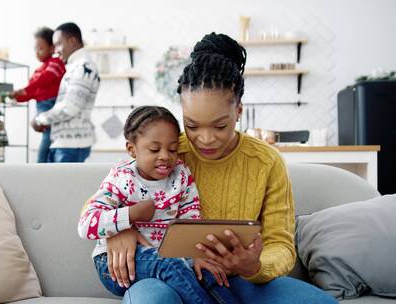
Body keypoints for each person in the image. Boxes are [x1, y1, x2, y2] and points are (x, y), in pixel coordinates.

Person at [97, 33, 338, 304]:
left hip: (237, 279)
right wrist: (120, 228)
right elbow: (100, 203)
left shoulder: (266, 162)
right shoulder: (169, 151)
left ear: (238, 111)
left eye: (220, 126)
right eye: (192, 125)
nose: (206, 139)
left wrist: (253, 265)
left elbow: (280, 245)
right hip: (168, 278)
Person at [79, 106, 243, 304]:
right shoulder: (121, 178)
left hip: (172, 259)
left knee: (209, 273)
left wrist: (197, 255)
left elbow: (190, 219)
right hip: (117, 264)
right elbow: (86, 225)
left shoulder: (181, 175)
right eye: (154, 149)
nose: (165, 155)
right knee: (169, 264)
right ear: (132, 149)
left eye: (172, 149)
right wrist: (130, 214)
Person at [33, 22, 100, 163]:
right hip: (65, 144)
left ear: (72, 41)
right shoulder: (75, 67)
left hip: (70, 146)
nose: (55, 50)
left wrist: (40, 119)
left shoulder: (83, 67)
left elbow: (70, 107)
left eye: (58, 44)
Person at [10, 27, 66, 163]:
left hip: (50, 103)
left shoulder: (55, 63)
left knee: (48, 135)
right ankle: (44, 163)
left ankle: (41, 163)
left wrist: (25, 89)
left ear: (52, 48)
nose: (37, 52)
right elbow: (33, 93)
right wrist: (19, 97)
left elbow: (45, 79)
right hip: (42, 104)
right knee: (48, 134)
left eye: (40, 48)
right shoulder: (38, 70)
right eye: (35, 48)